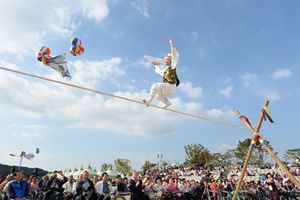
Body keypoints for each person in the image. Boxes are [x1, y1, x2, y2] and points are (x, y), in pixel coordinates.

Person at [143, 37, 180, 109]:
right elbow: (160, 71)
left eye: (167, 59)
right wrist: (156, 65)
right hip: (170, 89)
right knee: (157, 95)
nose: (166, 61)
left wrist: (171, 44)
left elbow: (174, 57)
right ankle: (167, 103)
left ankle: (149, 101)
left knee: (155, 85)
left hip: (171, 86)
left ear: (171, 60)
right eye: (165, 60)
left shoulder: (173, 66)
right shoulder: (165, 71)